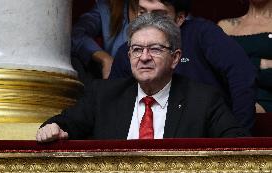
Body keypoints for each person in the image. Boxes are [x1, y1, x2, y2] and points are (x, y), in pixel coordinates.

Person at [36, 13, 249, 142]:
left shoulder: (203, 100)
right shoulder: (103, 95)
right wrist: (53, 127)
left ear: (175, 58)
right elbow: (63, 123)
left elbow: (238, 144)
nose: (144, 57)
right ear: (129, 56)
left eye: (155, 49)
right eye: (137, 49)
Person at [109, 0, 257, 129]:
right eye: (142, 12)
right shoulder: (127, 51)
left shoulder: (203, 34)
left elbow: (242, 76)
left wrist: (239, 137)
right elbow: (113, 100)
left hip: (206, 130)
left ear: (179, 18)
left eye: (158, 15)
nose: (148, 21)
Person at [218, 0, 272, 113]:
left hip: (266, 101)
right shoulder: (225, 26)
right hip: (229, 99)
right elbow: (217, 71)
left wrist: (236, 67)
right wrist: (261, 63)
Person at [71, 0, 137, 82]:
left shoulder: (156, 10)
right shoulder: (107, 8)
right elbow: (76, 34)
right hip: (117, 85)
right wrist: (105, 59)